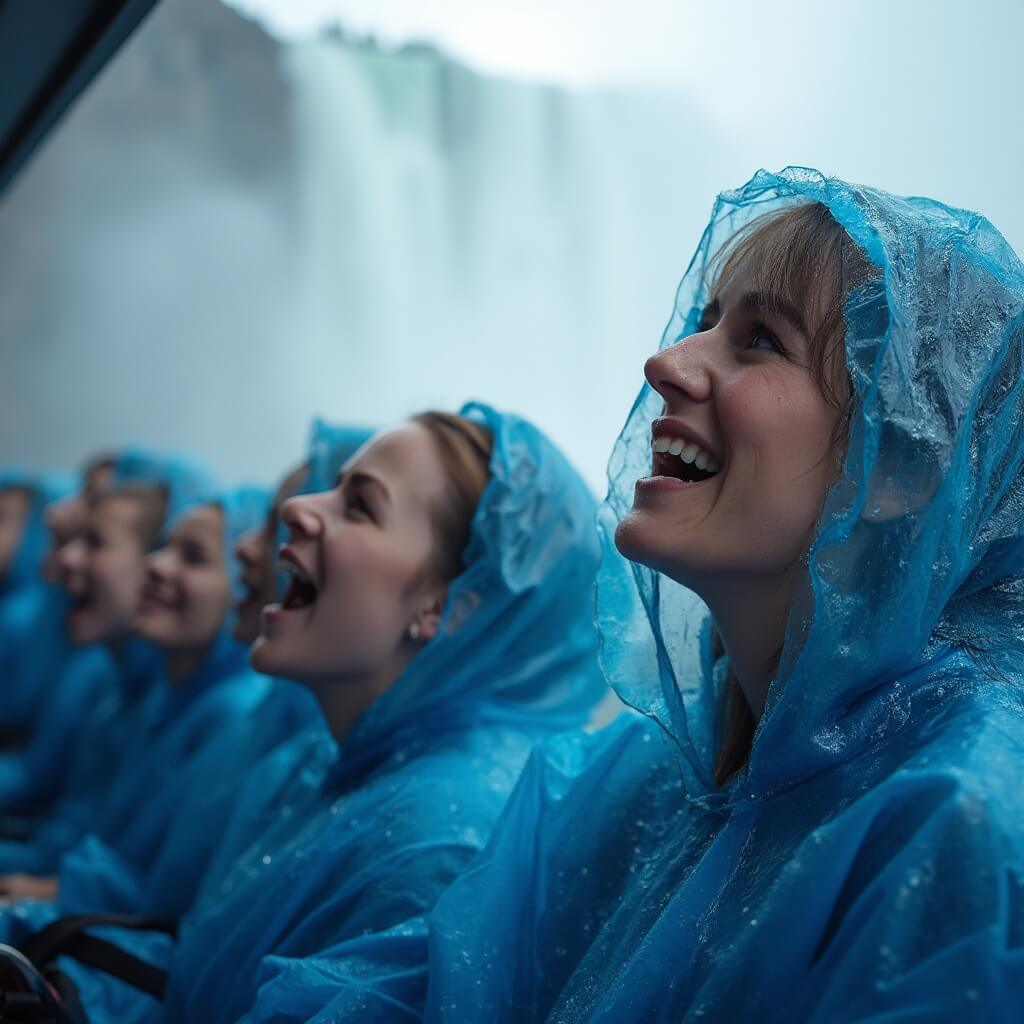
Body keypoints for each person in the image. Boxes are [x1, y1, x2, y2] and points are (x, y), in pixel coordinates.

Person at [424, 169, 1024, 1022]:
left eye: (761, 341)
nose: (665, 364)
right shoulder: (659, 780)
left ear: (905, 465)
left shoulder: (955, 825)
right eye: (704, 322)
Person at [54, 404, 605, 1024]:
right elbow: (192, 986)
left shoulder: (438, 841)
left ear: (448, 605)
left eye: (359, 505)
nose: (297, 509)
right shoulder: (320, 759)